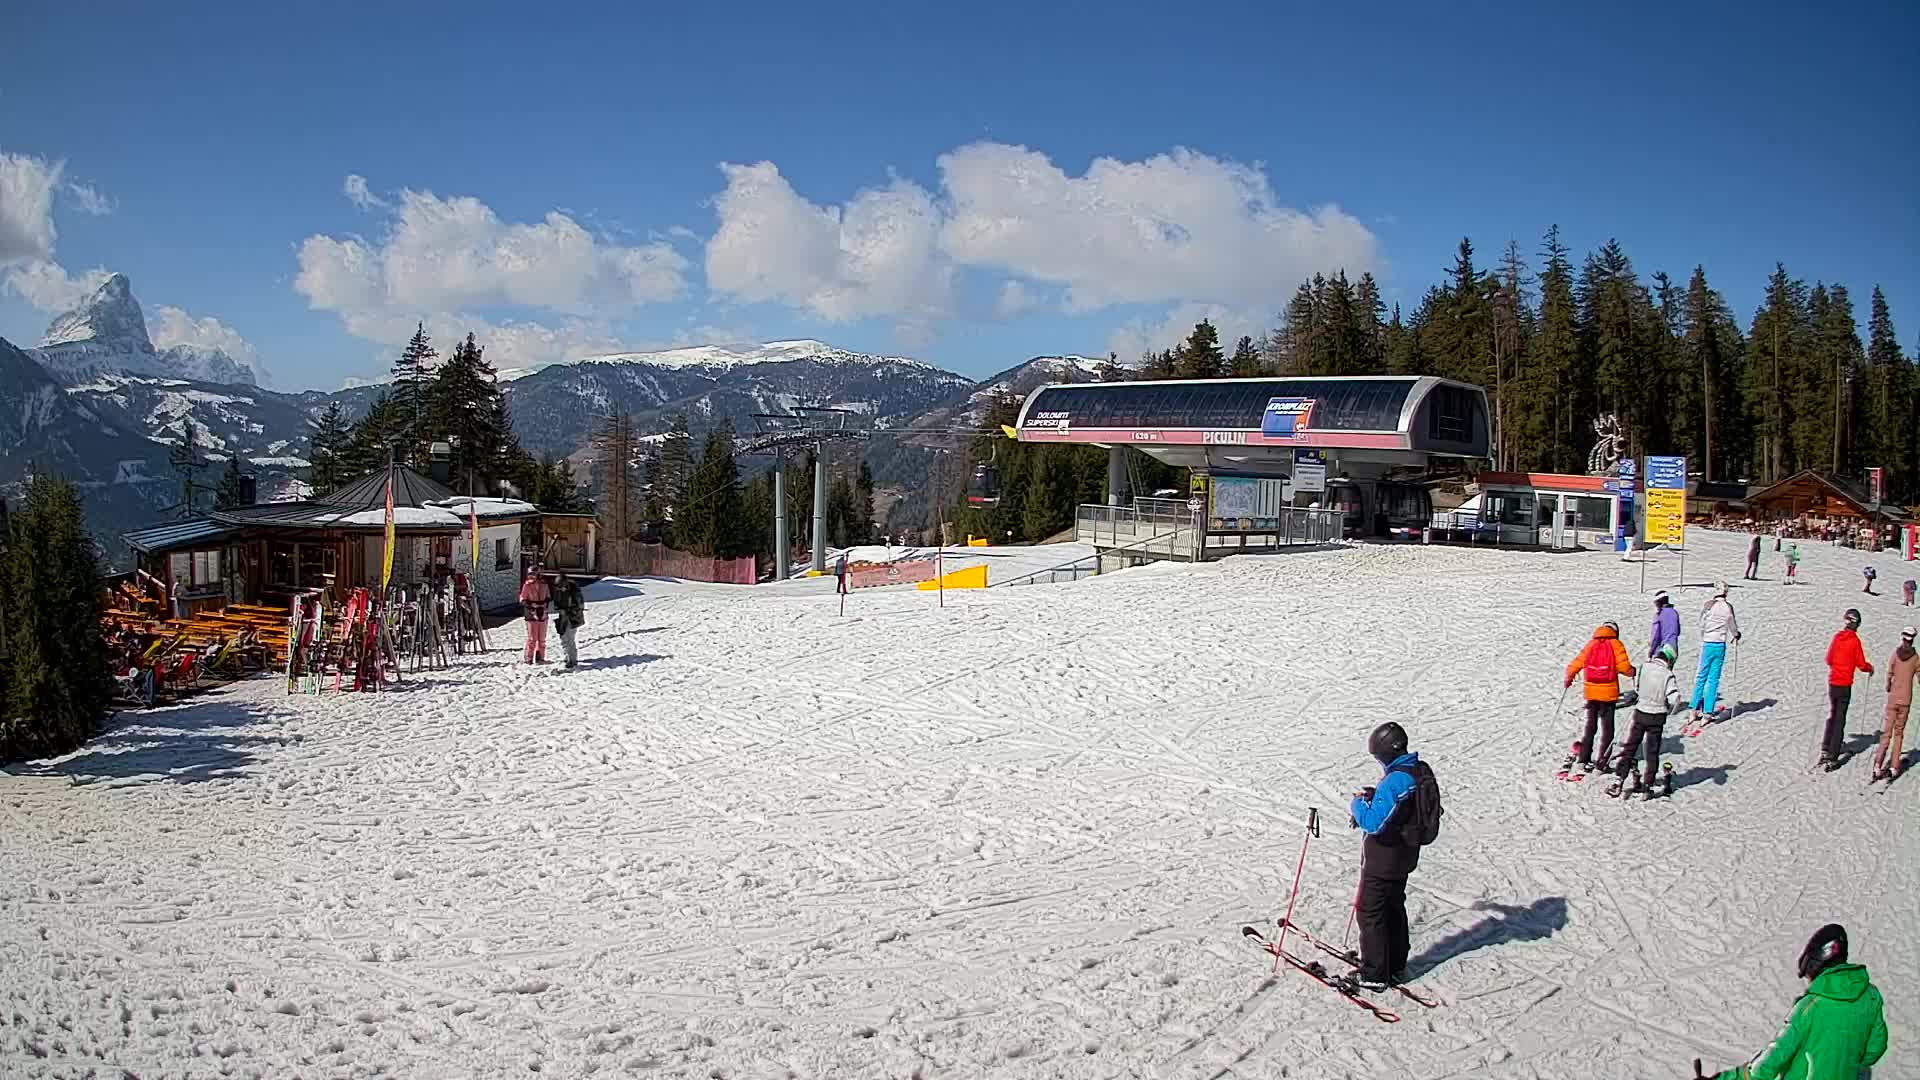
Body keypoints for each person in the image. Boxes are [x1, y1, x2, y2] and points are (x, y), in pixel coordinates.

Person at [1705, 924, 1886, 1080]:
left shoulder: (1809, 1008)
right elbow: (1875, 1049)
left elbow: (1769, 1063)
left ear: (1816, 962)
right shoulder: (1870, 996)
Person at [1347, 722, 1431, 991]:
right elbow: (1403, 807)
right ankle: (1395, 965)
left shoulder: (1397, 779)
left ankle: (1374, 974)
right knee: (1393, 906)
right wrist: (1377, 795)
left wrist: (1358, 804)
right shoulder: (1419, 770)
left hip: (1385, 858)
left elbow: (1373, 823)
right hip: (1405, 855)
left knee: (1370, 912)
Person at [1610, 642, 1681, 799]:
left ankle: (1619, 780)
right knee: (1652, 752)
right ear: (1670, 660)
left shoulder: (1644, 667)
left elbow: (1636, 688)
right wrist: (1669, 710)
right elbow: (1675, 698)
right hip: (1657, 716)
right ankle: (1647, 785)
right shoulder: (1668, 675)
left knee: (1630, 747)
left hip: (1640, 712)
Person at [1564, 622, 1636, 771]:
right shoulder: (1616, 644)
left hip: (1591, 692)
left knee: (1590, 726)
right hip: (1608, 694)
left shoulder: (1591, 644)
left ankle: (1584, 757)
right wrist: (1632, 672)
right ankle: (1603, 761)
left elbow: (1575, 664)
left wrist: (1569, 678)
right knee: (1607, 729)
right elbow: (1624, 667)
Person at [1820, 609, 1873, 771]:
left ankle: (1826, 746)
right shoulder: (1854, 641)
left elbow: (1829, 659)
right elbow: (1861, 663)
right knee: (1840, 719)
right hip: (1844, 684)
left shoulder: (1837, 638)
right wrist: (1869, 668)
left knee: (1833, 714)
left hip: (1833, 683)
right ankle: (1833, 756)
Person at [1688, 581, 1741, 727]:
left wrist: (1704, 634)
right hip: (1720, 643)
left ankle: (1693, 709)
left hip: (1708, 642)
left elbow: (1702, 622)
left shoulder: (1709, 605)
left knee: (1701, 676)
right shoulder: (1728, 607)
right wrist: (1736, 635)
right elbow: (1732, 625)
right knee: (1713, 679)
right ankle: (1707, 712)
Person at [1873, 625, 1919, 782]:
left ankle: (1878, 764)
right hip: (1905, 700)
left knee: (1886, 733)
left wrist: (1889, 685)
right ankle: (1894, 766)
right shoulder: (1915, 658)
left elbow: (1889, 674)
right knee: (1899, 734)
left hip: (1893, 698)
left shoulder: (1895, 654)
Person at [518, 567, 552, 665]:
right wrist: (532, 606)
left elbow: (548, 598)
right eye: (530, 574)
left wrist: (544, 606)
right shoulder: (527, 586)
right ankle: (529, 657)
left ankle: (540, 656)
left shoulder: (544, 585)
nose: (531, 576)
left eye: (533, 574)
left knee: (542, 638)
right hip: (531, 614)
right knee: (532, 638)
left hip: (543, 613)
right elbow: (522, 600)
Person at [552, 572, 585, 670]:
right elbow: (556, 605)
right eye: (558, 586)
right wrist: (560, 610)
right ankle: (567, 657)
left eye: (561, 586)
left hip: (573, 617)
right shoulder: (558, 592)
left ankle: (572, 660)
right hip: (563, 617)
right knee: (563, 638)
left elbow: (580, 605)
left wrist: (570, 610)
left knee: (570, 638)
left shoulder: (574, 591)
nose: (560, 588)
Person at [1650, 590, 1681, 659]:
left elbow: (1655, 635)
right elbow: (1678, 631)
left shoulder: (1659, 615)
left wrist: (1651, 651)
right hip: (1674, 648)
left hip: (1664, 650)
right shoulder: (1675, 613)